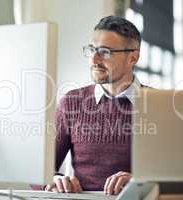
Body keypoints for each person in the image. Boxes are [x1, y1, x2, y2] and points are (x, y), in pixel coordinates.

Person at [45, 15, 147, 195]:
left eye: (105, 52)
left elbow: (180, 175)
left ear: (133, 57)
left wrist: (140, 182)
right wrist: (53, 180)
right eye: (92, 50)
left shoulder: (161, 105)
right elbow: (40, 171)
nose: (94, 60)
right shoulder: (72, 102)